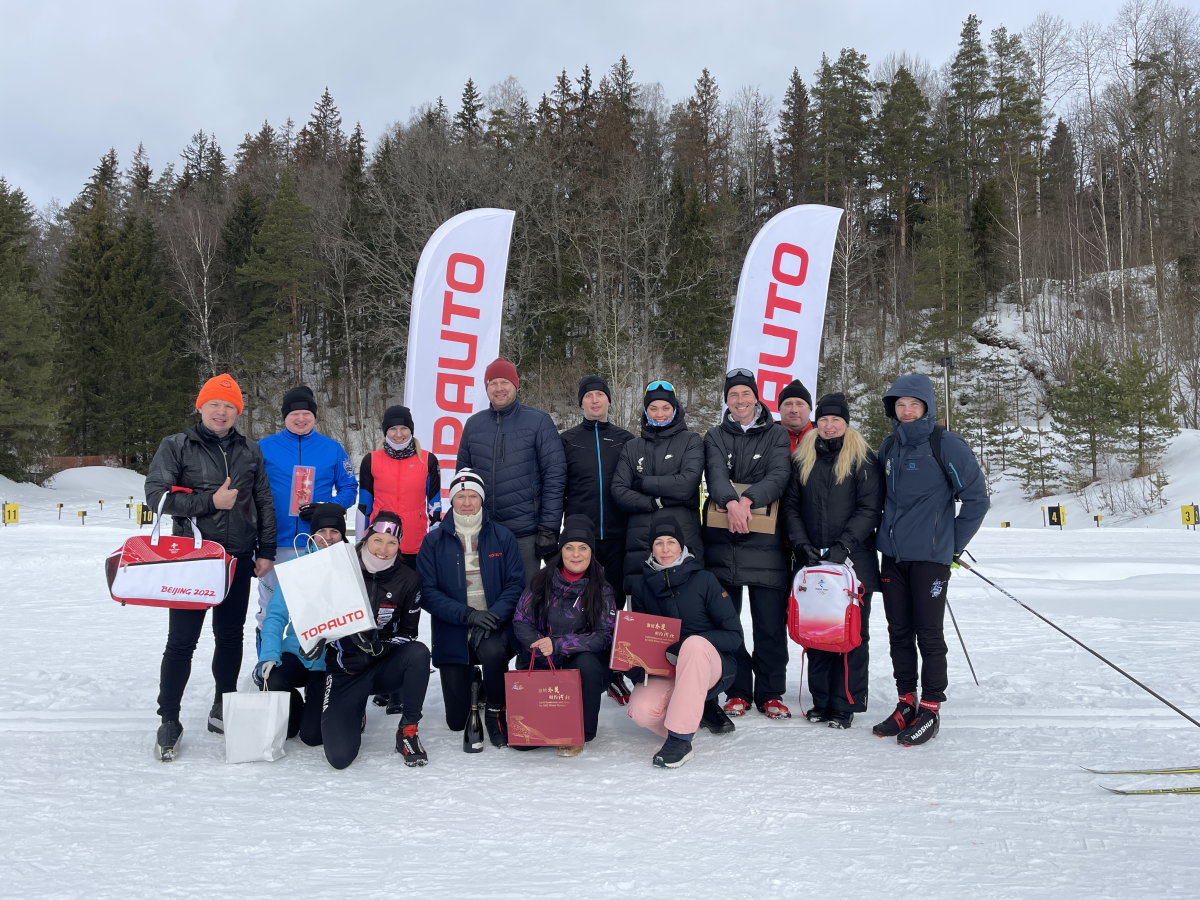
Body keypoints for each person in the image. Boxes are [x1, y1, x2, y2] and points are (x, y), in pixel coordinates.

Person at [144, 373, 277, 761]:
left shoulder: (249, 449)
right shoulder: (177, 446)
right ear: (200, 406)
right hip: (192, 560)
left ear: (238, 411)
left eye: (229, 406)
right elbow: (157, 497)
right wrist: (209, 502)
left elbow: (264, 501)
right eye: (214, 404)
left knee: (230, 636)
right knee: (181, 642)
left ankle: (223, 702)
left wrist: (265, 549)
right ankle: (169, 718)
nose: (221, 412)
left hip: (236, 558)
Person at [873, 374, 988, 745]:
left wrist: (952, 545)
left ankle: (931, 707)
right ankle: (906, 702)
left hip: (930, 560)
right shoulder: (889, 446)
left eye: (913, 404)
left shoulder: (946, 444)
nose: (906, 411)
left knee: (929, 635)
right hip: (893, 557)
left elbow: (977, 500)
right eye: (899, 405)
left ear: (927, 407)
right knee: (898, 633)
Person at [783, 392, 884, 729]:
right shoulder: (803, 457)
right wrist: (802, 544)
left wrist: (844, 545)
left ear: (846, 422)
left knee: (851, 634)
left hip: (853, 561)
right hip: (813, 561)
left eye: (835, 420)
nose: (828, 425)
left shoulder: (862, 458)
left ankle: (846, 703)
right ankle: (822, 701)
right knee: (818, 631)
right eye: (824, 419)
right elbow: (791, 507)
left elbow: (869, 508)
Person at [702, 368, 793, 719]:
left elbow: (778, 475)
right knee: (730, 624)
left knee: (769, 624)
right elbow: (715, 474)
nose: (740, 401)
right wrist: (730, 501)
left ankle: (770, 692)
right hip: (723, 542)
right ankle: (737, 690)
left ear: (756, 397)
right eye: (733, 395)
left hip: (766, 544)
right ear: (726, 401)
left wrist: (746, 501)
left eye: (745, 394)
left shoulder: (776, 434)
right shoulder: (714, 435)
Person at [417, 468, 526, 749]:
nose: (467, 502)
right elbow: (427, 593)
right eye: (460, 496)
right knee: (456, 721)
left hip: (492, 623)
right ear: (451, 501)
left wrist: (493, 615)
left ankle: (494, 709)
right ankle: (474, 682)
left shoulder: (502, 536)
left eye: (473, 496)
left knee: (493, 652)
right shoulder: (432, 542)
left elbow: (516, 584)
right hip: (453, 626)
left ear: (482, 500)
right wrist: (467, 615)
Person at [628, 514, 743, 768]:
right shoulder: (641, 587)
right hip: (667, 667)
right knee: (641, 711)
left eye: (671, 542)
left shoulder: (705, 580)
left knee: (693, 645)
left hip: (711, 664)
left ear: (681, 545)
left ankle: (680, 739)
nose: (665, 549)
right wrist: (634, 664)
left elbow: (734, 636)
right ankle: (691, 713)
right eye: (659, 543)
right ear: (651, 548)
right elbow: (639, 637)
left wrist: (692, 641)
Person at [321, 512, 432, 769]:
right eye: (378, 540)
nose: (383, 549)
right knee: (339, 758)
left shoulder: (409, 579)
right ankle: (355, 711)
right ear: (367, 537)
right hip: (345, 670)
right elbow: (316, 617)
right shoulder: (340, 568)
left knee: (418, 653)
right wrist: (315, 640)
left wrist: (384, 647)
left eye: (392, 543)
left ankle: (408, 730)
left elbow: (409, 632)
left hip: (383, 666)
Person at [455, 357, 567, 583]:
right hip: (484, 531)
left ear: (516, 385)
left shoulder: (538, 422)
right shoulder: (474, 425)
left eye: (504, 382)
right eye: (492, 383)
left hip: (525, 533)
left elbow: (554, 476)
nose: (499, 388)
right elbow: (463, 479)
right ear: (486, 388)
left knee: (525, 602)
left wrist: (549, 528)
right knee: (488, 599)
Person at [512, 515, 616, 756]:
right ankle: (551, 722)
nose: (576, 554)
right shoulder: (541, 581)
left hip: (581, 667)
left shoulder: (602, 589)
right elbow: (521, 619)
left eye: (583, 548)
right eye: (569, 548)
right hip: (541, 660)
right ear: (561, 551)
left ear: (591, 552)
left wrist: (558, 645)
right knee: (521, 743)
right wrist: (539, 645)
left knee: (587, 661)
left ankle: (581, 730)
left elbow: (604, 635)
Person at [256, 384, 357, 625]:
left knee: (316, 611)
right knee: (270, 610)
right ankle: (267, 659)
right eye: (294, 414)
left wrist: (327, 508)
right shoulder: (263, 448)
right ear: (285, 417)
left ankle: (310, 663)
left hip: (317, 543)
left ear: (314, 416)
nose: (301, 419)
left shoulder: (332, 448)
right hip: (274, 543)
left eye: (307, 414)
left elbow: (349, 489)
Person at [254, 503, 348, 747]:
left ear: (342, 534)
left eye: (334, 532)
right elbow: (275, 615)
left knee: (313, 737)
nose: (327, 538)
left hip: (330, 656)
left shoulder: (352, 566)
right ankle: (294, 711)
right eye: (322, 531)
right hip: (298, 648)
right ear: (312, 533)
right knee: (274, 678)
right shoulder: (297, 568)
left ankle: (322, 710)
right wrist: (269, 654)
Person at [611, 380, 705, 598]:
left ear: (675, 409)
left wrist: (643, 484)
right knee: (643, 617)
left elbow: (687, 484)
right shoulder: (632, 447)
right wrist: (654, 502)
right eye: (653, 408)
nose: (659, 414)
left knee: (685, 614)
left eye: (665, 408)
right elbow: (619, 490)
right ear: (645, 410)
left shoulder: (691, 441)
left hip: (683, 537)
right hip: (640, 541)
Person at [559, 376, 634, 603]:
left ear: (609, 400)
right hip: (580, 540)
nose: (594, 400)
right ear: (581, 403)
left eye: (600, 394)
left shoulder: (626, 440)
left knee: (614, 601)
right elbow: (557, 489)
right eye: (588, 396)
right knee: (580, 603)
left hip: (618, 537)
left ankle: (614, 640)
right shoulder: (567, 441)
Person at [357, 404, 441, 569]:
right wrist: (360, 542)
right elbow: (364, 506)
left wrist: (436, 541)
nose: (398, 434)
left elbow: (435, 505)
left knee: (412, 591)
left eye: (404, 428)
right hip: (380, 543)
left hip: (414, 542)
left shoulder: (428, 460)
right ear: (385, 431)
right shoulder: (371, 460)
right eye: (392, 429)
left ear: (411, 430)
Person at [777, 379, 814, 453]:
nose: (794, 410)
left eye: (800, 404)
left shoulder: (823, 435)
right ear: (779, 409)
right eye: (788, 404)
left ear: (810, 409)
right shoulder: (766, 436)